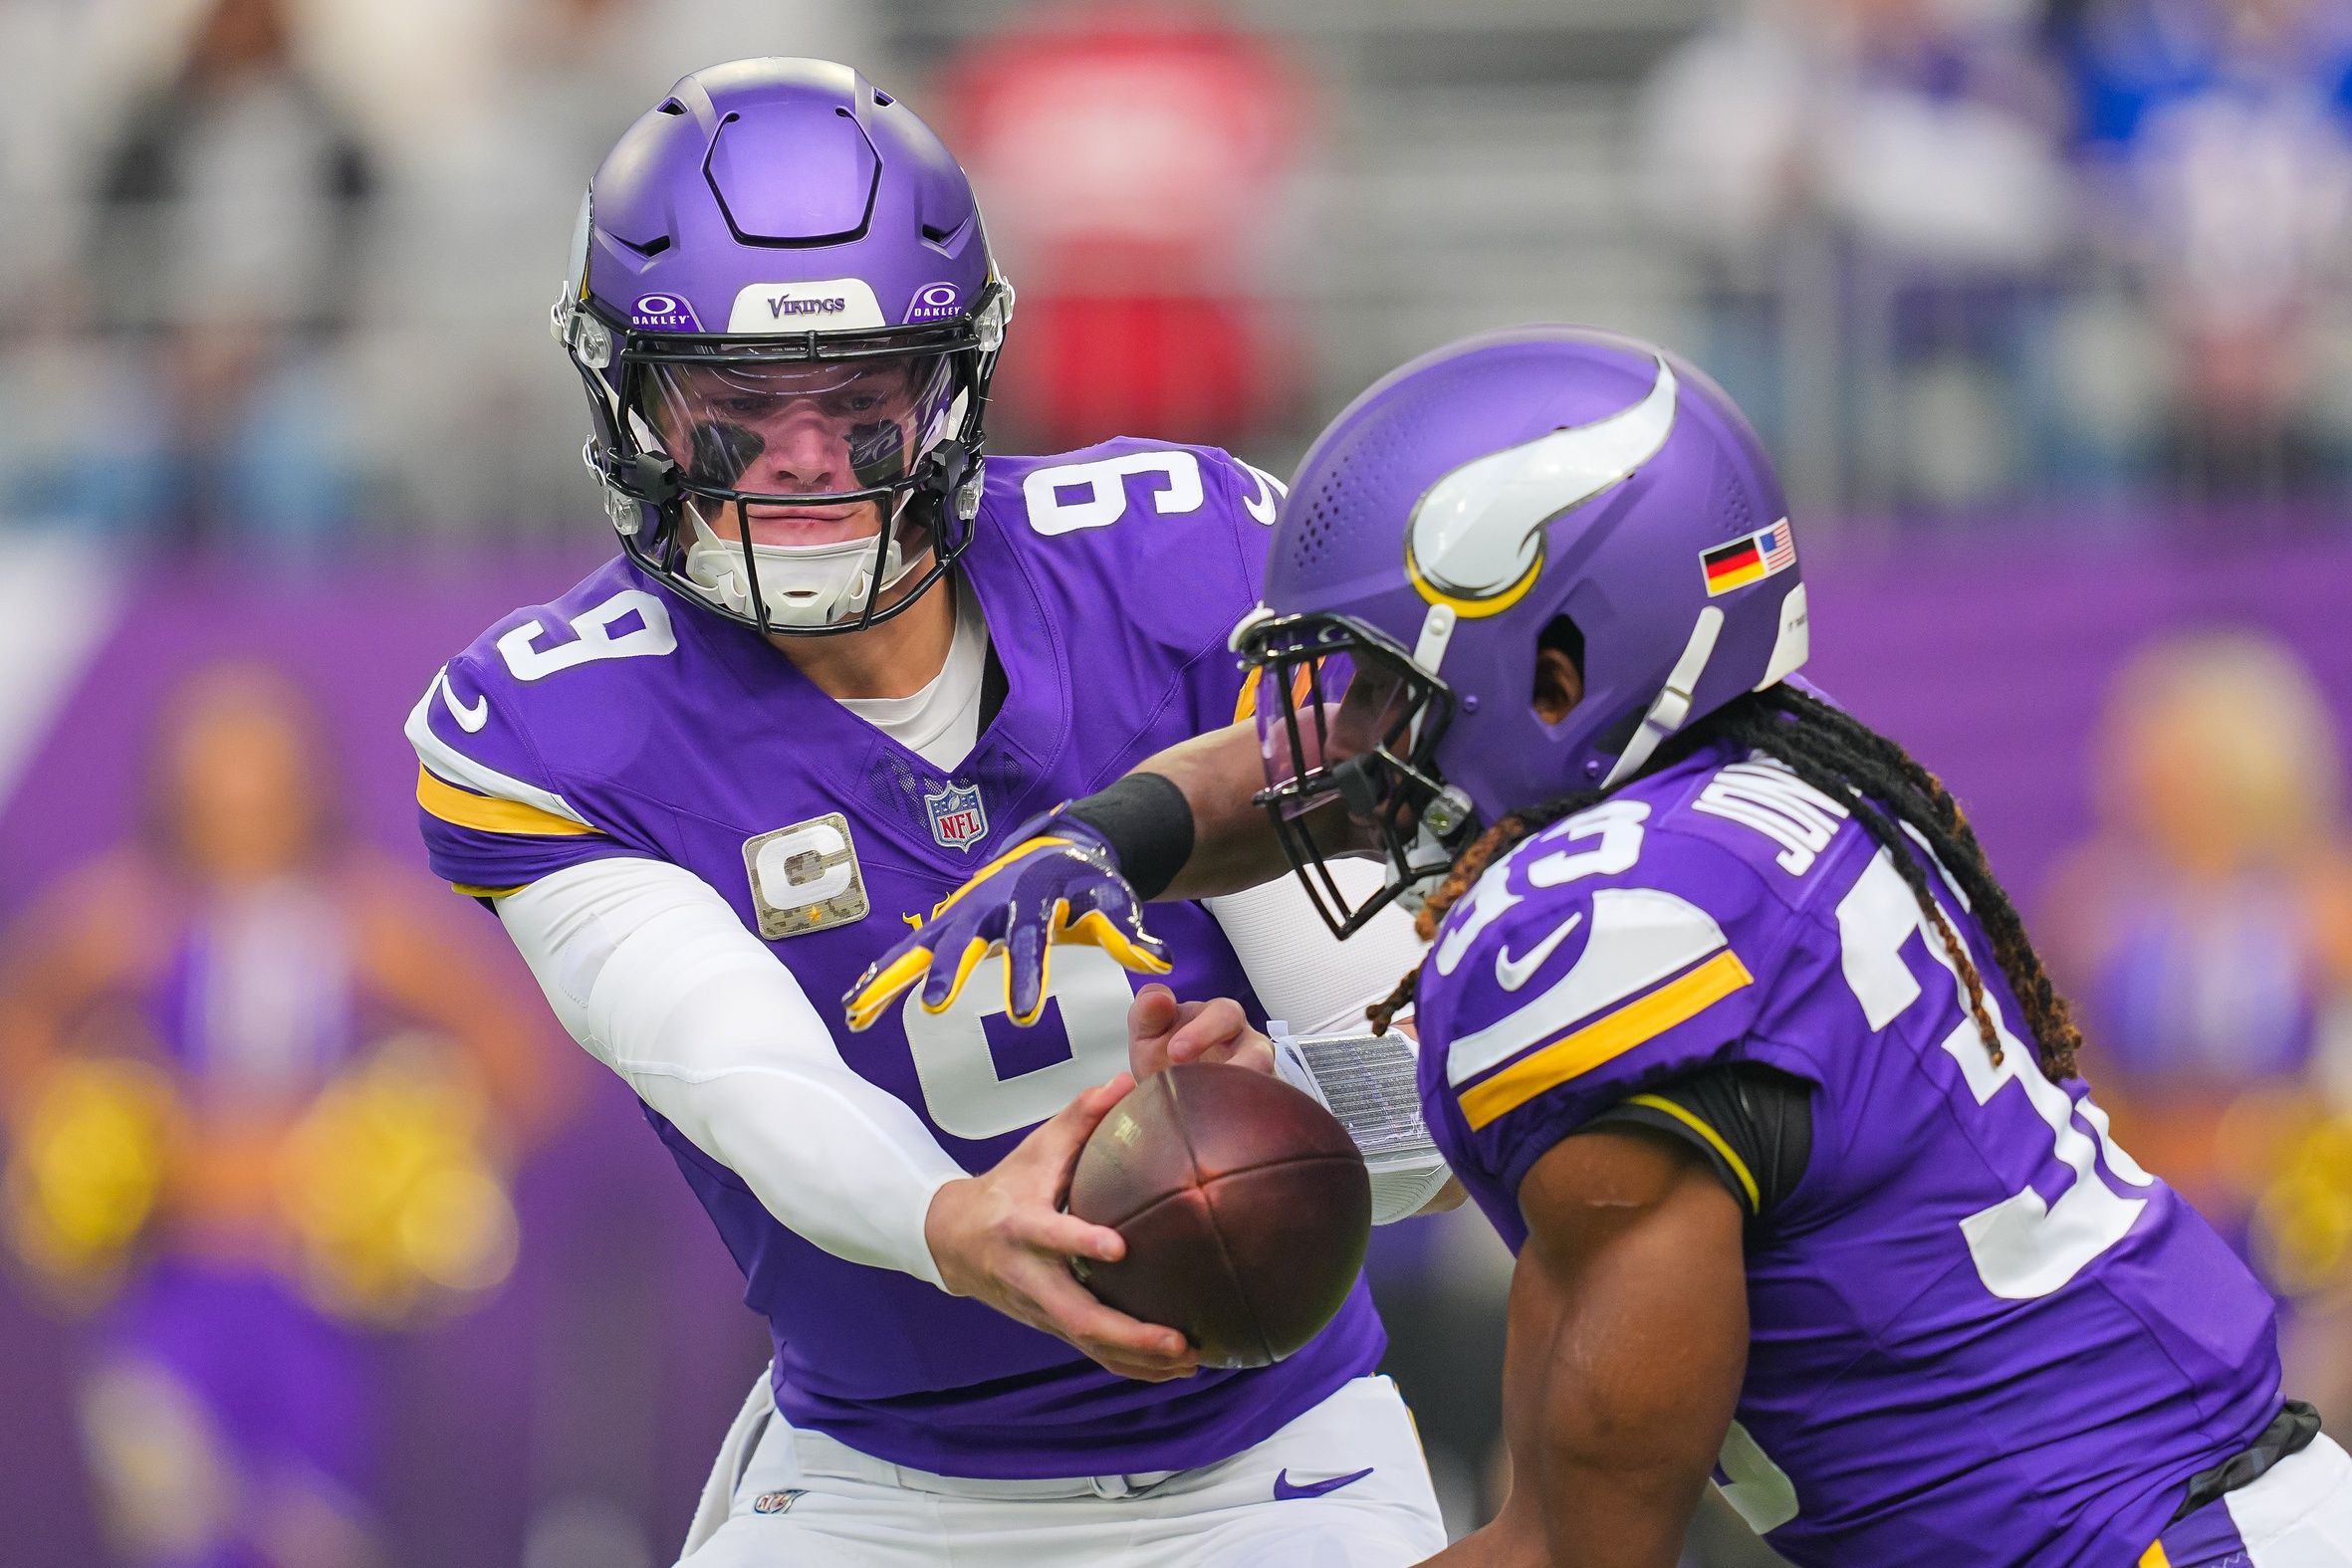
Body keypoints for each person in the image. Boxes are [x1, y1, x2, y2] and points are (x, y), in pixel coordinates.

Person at [852, 325, 2352, 1566]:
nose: (1337, 750)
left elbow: (1577, 1550)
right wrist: (1098, 835)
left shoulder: (1592, 945)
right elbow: (1298, 774)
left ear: (1556, 668)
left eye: (1375, 688)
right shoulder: (1764, 786)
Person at [405, 58, 1447, 1567]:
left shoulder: (1180, 563)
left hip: (1274, 1457)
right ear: (628, 395)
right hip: (874, 1488)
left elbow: (1417, 1107)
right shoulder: (559, 724)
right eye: (734, 409)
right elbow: (737, 1071)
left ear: (953, 382)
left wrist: (1279, 1091)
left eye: (861, 397)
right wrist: (951, 1220)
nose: (805, 461)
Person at [0, 662, 558, 1568]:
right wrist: (76, 1135)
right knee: (171, 1535)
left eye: (263, 785)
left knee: (314, 1538)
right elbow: (21, 1012)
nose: (241, 812)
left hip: (318, 1305)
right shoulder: (135, 913)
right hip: (167, 1288)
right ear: (174, 793)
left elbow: (517, 1055)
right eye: (217, 787)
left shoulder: (362, 916)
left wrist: (420, 1159)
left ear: (310, 787)